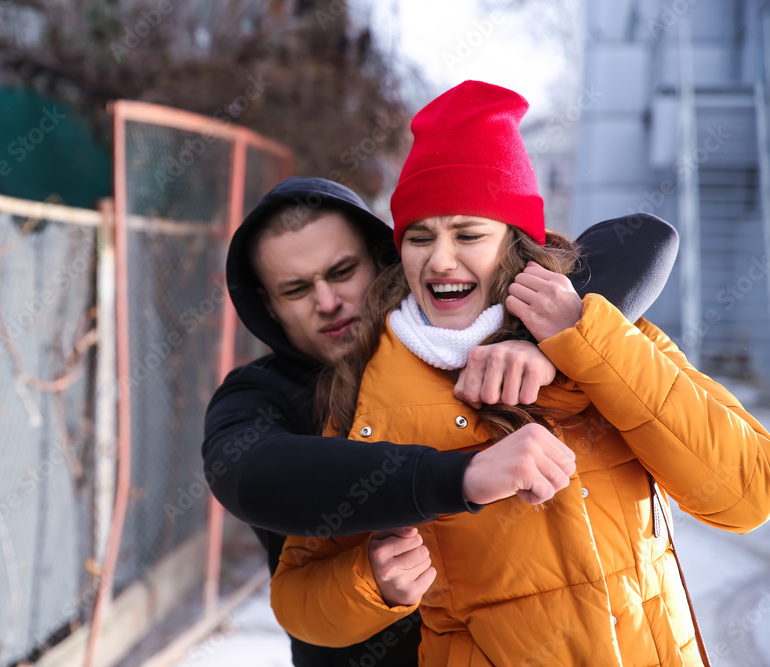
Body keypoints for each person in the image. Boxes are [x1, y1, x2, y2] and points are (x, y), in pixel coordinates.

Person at [267, 80, 770, 666]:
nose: (441, 260)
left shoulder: (606, 334)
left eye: (469, 234)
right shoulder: (369, 392)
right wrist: (368, 582)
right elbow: (296, 594)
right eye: (420, 236)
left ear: (514, 244)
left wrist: (582, 342)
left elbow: (747, 495)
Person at [204, 171, 678, 664]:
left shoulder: (457, 340)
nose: (327, 302)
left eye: (342, 272)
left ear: (382, 259)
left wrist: (547, 344)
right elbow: (249, 474)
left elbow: (641, 238)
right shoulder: (260, 392)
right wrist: (457, 479)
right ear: (268, 306)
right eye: (297, 289)